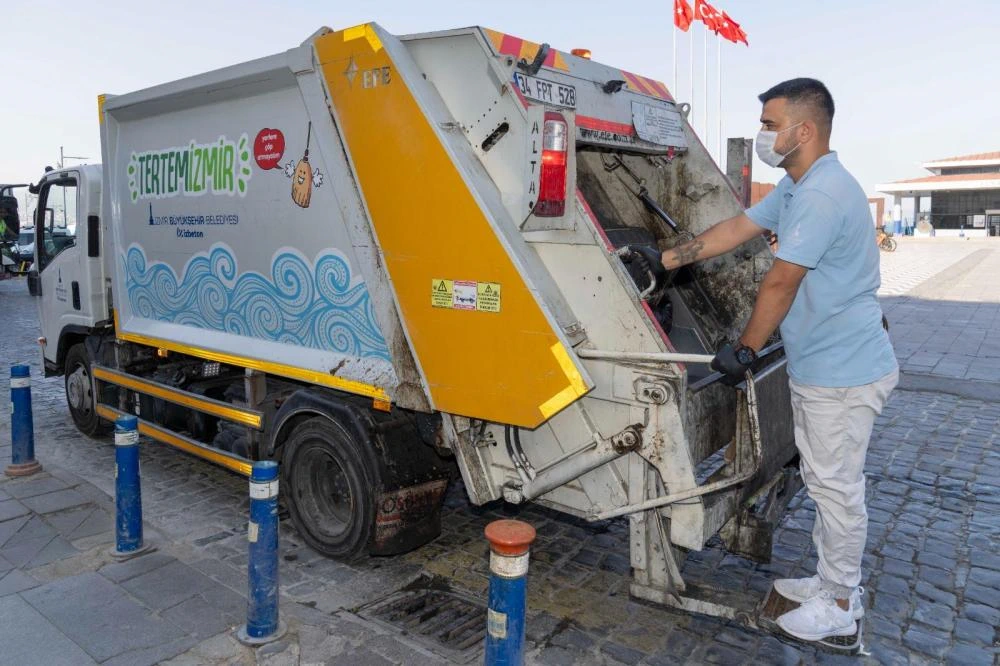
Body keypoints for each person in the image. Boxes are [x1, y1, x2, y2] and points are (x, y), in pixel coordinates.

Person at [635, 78, 898, 643]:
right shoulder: (800, 185)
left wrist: (747, 349)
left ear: (804, 131)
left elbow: (780, 281)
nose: (762, 134)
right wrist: (662, 259)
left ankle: (841, 606)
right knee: (829, 481)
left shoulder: (823, 195)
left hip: (843, 371)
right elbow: (737, 228)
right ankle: (830, 582)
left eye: (770, 124)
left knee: (836, 487)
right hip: (827, 364)